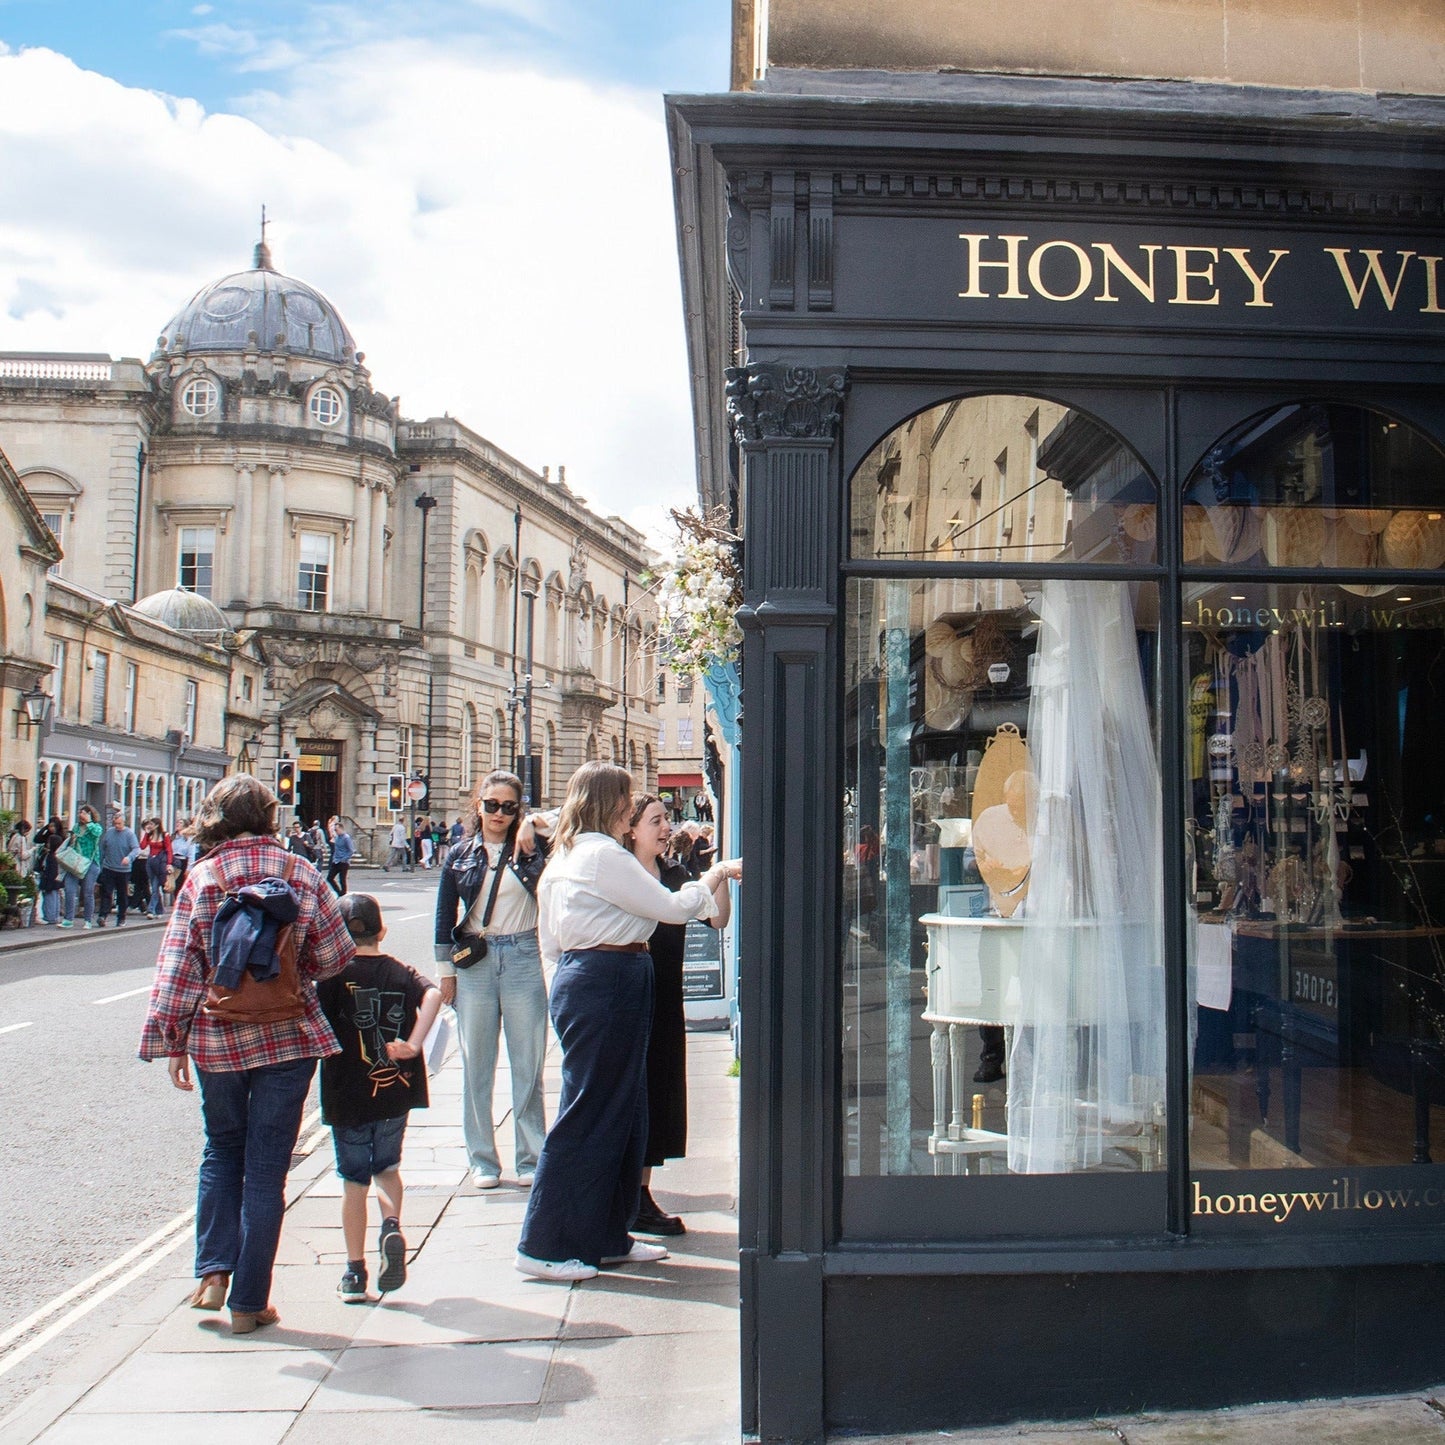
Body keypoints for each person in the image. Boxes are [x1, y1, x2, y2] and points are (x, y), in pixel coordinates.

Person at [138, 774, 356, 1335]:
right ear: (269, 817)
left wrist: (171, 1039)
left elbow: (178, 969)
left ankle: (212, 1273)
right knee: (266, 1169)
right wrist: (297, 968)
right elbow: (336, 956)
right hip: (288, 1036)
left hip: (217, 1036)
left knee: (221, 1149)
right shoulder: (303, 872)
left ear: (215, 819)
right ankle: (250, 1303)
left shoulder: (203, 876)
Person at [515, 761, 741, 1282]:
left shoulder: (571, 855)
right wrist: (717, 874)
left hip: (603, 975)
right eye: (626, 799)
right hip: (606, 976)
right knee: (590, 1111)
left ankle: (608, 1233)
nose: (631, 806)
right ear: (610, 804)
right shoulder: (600, 856)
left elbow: (549, 942)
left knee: (623, 1110)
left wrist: (566, 984)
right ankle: (543, 1243)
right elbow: (671, 907)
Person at [318, 894, 442, 1302]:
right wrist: (412, 1044)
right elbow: (435, 995)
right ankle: (391, 1225)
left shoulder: (333, 977)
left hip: (347, 1094)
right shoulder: (401, 971)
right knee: (386, 1167)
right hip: (395, 1091)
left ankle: (354, 1273)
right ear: (382, 931)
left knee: (354, 1182)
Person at [434, 771, 548, 1189]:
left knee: (528, 1064)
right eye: (491, 804)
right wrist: (446, 973)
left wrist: (533, 826)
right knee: (475, 1065)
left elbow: (567, 821)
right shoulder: (460, 853)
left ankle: (530, 1156)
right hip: (476, 961)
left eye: (509, 806)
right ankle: (482, 1160)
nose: (498, 813)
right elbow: (443, 916)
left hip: (523, 955)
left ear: (519, 809)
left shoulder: (535, 850)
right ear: (478, 805)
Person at [624, 794, 732, 1235]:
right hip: (627, 995)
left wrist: (717, 872)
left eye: (666, 819)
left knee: (658, 1095)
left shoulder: (672, 873)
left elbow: (718, 921)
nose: (667, 827)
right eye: (657, 821)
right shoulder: (622, 874)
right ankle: (626, 1194)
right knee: (629, 1096)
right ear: (630, 829)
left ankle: (639, 1195)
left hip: (667, 997)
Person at [96, 809, 140, 927]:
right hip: (109, 867)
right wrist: (101, 863)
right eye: (115, 824)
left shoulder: (129, 834)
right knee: (106, 892)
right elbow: (103, 848)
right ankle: (102, 916)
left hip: (123, 870)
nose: (117, 826)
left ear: (124, 823)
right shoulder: (109, 832)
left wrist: (129, 858)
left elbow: (136, 849)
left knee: (122, 894)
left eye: (119, 824)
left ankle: (121, 917)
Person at [63, 804, 103, 929]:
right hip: (75, 862)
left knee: (88, 892)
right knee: (69, 890)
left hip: (90, 863)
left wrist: (89, 822)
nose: (81, 815)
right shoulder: (76, 827)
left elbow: (97, 834)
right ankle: (68, 919)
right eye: (80, 813)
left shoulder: (96, 827)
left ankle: (88, 920)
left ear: (90, 814)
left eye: (84, 813)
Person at [34, 818, 64, 925]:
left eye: (53, 826)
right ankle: (54, 916)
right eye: (50, 826)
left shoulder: (52, 854)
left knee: (51, 894)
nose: (51, 828)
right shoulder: (51, 839)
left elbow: (49, 869)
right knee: (54, 894)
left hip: (50, 878)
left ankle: (50, 916)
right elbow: (37, 839)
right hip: (54, 877)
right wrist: (45, 827)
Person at [142, 817, 173, 918]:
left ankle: (150, 910)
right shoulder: (150, 835)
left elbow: (169, 850)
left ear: (157, 825)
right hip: (151, 861)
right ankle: (159, 910)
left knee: (155, 887)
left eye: (151, 824)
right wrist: (146, 833)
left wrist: (169, 863)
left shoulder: (164, 835)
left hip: (160, 863)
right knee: (154, 886)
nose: (150, 826)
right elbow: (142, 846)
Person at [327, 817, 354, 896]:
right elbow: (336, 849)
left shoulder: (346, 838)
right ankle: (339, 892)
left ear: (341, 829)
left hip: (343, 862)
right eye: (335, 830)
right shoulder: (337, 837)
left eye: (336, 830)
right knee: (329, 878)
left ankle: (343, 893)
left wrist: (344, 859)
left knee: (342, 879)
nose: (335, 831)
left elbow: (351, 850)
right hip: (336, 860)